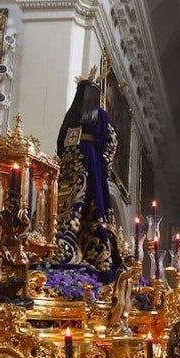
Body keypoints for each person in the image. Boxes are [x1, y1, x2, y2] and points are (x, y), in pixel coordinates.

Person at [53, 70, 121, 279]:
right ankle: (94, 254)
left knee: (67, 204)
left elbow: (60, 143)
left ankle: (60, 246)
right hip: (90, 160)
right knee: (90, 200)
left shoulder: (71, 115)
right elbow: (110, 142)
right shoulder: (100, 115)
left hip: (69, 163)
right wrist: (104, 166)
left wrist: (64, 160)